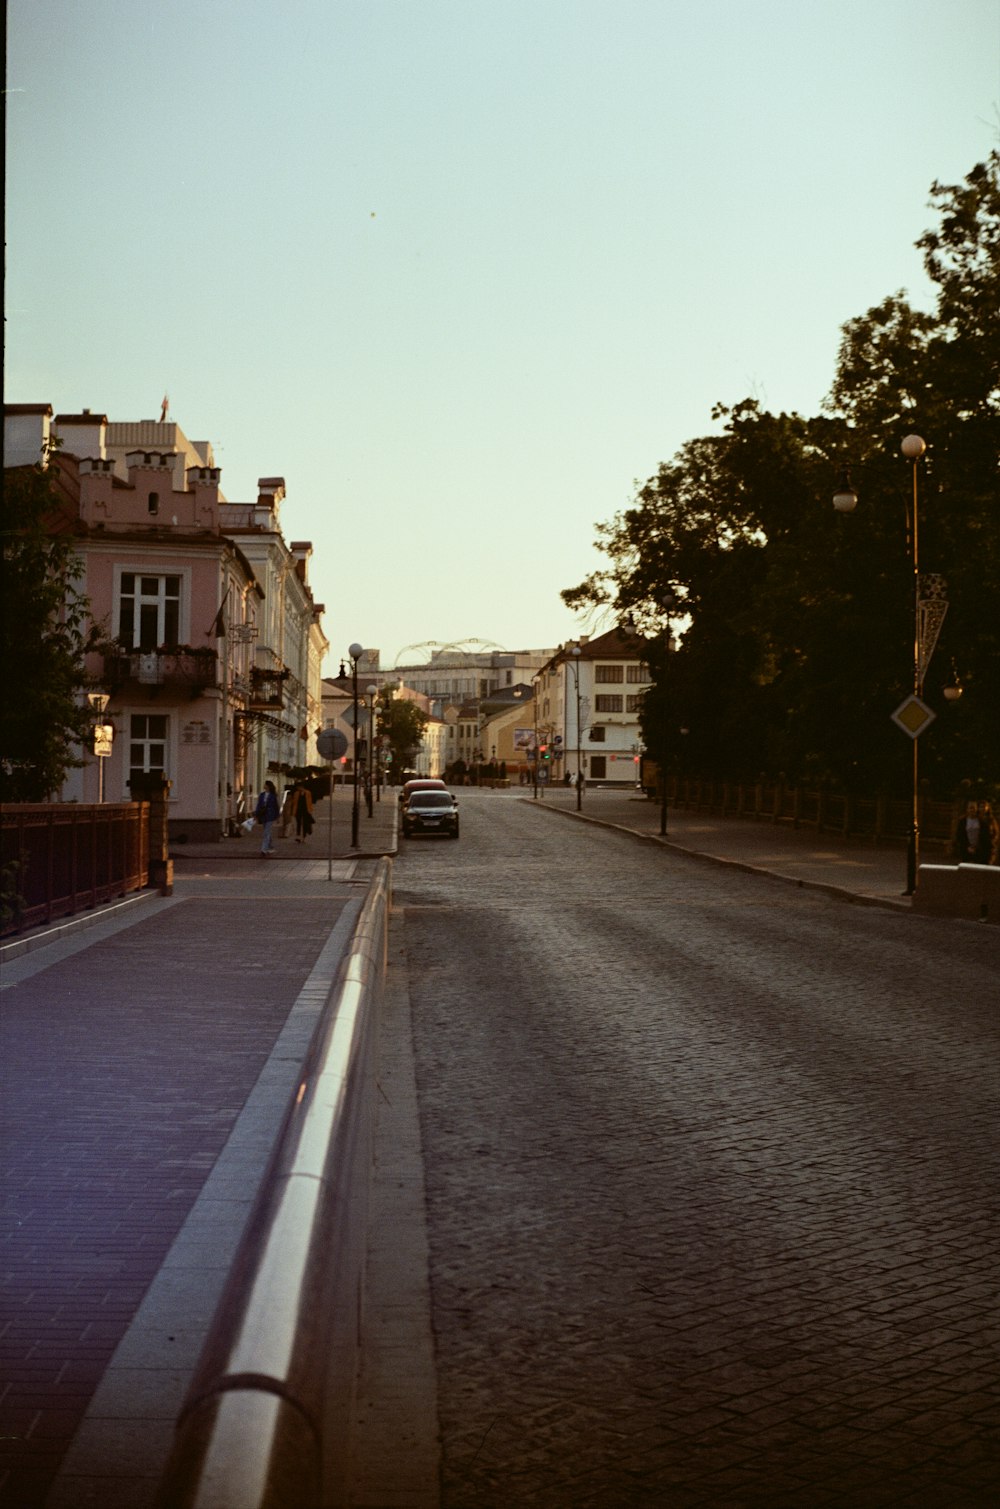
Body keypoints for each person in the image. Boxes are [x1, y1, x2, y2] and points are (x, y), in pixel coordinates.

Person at [953, 799, 992, 864]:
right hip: (966, 850)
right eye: (970, 808)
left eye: (973, 808)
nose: (972, 810)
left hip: (979, 851)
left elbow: (986, 837)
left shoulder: (982, 822)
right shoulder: (962, 822)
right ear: (967, 809)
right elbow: (960, 836)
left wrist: (978, 848)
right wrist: (967, 847)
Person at [255, 780, 280, 855]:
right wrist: (256, 814)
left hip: (270, 815)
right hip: (263, 815)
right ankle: (270, 847)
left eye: (265, 784)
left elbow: (276, 806)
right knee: (267, 831)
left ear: (268, 786)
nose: (264, 786)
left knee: (266, 832)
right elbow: (259, 805)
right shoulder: (262, 795)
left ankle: (264, 849)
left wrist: (277, 816)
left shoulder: (273, 795)